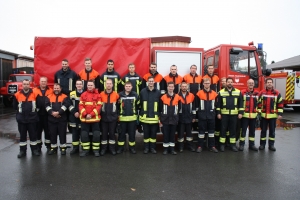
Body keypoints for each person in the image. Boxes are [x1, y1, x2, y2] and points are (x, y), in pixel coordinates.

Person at [13, 79, 40, 158]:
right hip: (22, 119)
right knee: (22, 136)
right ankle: (22, 151)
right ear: (22, 85)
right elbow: (15, 107)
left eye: (27, 84)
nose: (26, 85)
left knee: (33, 135)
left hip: (32, 119)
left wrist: (34, 113)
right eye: (24, 84)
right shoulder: (17, 94)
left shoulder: (35, 94)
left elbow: (38, 105)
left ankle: (34, 150)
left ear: (29, 85)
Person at [216, 77, 244, 152]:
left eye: (231, 82)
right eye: (228, 82)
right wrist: (218, 113)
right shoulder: (221, 92)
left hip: (234, 115)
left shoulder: (238, 92)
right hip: (224, 114)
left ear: (233, 83)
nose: (230, 83)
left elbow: (241, 104)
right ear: (226, 83)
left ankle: (233, 145)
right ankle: (222, 145)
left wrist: (240, 113)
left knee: (233, 130)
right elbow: (218, 105)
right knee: (223, 129)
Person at [257, 78, 283, 151]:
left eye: (270, 82)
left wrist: (280, 113)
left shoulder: (277, 93)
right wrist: (259, 112)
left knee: (272, 131)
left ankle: (271, 145)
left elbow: (280, 104)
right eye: (268, 82)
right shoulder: (262, 92)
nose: (269, 83)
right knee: (263, 131)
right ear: (265, 83)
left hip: (272, 116)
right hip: (263, 116)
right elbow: (258, 103)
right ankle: (262, 145)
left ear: (272, 83)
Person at [45, 83, 70, 155]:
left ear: (60, 89)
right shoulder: (48, 96)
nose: (56, 89)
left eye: (57, 88)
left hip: (62, 119)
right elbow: (46, 106)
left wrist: (58, 112)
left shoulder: (65, 96)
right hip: (51, 119)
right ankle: (54, 148)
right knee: (52, 134)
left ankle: (63, 148)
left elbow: (66, 106)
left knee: (62, 134)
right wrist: (52, 113)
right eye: (55, 88)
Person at [79, 81, 102, 157]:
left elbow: (99, 107)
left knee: (96, 134)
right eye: (88, 85)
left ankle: (96, 150)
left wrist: (91, 114)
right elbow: (80, 106)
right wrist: (85, 114)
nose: (90, 86)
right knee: (84, 134)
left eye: (91, 85)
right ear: (86, 86)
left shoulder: (98, 95)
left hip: (95, 119)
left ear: (94, 86)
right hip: (85, 119)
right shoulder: (83, 95)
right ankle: (85, 150)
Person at [195, 78, 218, 153]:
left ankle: (212, 146)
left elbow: (216, 105)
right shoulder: (199, 93)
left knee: (211, 132)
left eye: (208, 83)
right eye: (205, 83)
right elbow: (196, 106)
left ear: (210, 84)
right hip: (202, 116)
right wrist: (197, 116)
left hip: (211, 116)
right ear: (203, 84)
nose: (207, 84)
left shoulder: (214, 94)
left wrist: (215, 114)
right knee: (201, 133)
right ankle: (200, 146)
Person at [139, 76, 161, 154]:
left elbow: (160, 106)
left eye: (152, 81)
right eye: (150, 81)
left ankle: (152, 148)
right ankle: (146, 148)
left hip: (154, 118)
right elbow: (140, 104)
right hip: (145, 118)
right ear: (147, 82)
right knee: (146, 134)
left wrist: (160, 116)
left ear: (154, 82)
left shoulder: (158, 92)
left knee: (153, 134)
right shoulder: (142, 91)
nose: (151, 82)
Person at [117, 81, 139, 154]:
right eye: (127, 86)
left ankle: (132, 148)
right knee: (121, 134)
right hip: (122, 119)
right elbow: (116, 106)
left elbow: (138, 105)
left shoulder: (135, 95)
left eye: (129, 86)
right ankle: (120, 148)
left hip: (132, 118)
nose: (128, 87)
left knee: (132, 134)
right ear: (124, 87)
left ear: (132, 87)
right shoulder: (119, 95)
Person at [121, 63, 143, 133]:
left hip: (136, 98)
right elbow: (122, 87)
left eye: (133, 67)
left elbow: (141, 87)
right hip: (127, 97)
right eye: (130, 67)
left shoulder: (139, 77)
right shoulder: (125, 77)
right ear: (128, 68)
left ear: (134, 68)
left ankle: (138, 127)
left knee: (137, 113)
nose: (131, 69)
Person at [160, 82, 181, 155]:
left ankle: (172, 149)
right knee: (166, 134)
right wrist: (161, 120)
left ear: (174, 88)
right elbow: (160, 109)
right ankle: (165, 149)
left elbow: (179, 109)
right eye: (169, 87)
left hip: (174, 119)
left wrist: (177, 118)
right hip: (165, 119)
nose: (171, 88)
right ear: (167, 87)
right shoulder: (163, 97)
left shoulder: (178, 97)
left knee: (172, 135)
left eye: (172, 87)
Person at [239, 79, 260, 151]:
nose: (251, 84)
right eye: (249, 83)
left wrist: (258, 113)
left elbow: (260, 104)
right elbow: (240, 103)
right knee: (243, 131)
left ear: (254, 84)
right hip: (245, 115)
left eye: (252, 83)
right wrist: (241, 113)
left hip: (253, 116)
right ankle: (241, 145)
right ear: (247, 84)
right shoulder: (242, 92)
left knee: (252, 131)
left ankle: (252, 145)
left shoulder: (257, 93)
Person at [33, 76, 53, 153]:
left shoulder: (50, 91)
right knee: (37, 131)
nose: (43, 83)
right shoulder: (34, 91)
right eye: (42, 81)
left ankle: (48, 146)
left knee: (48, 131)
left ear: (47, 82)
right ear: (39, 82)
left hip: (47, 115)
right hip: (37, 115)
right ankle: (38, 147)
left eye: (44, 81)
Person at [100, 79, 119, 156]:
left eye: (110, 84)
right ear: (105, 85)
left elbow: (118, 106)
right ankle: (103, 149)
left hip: (113, 118)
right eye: (107, 83)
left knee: (112, 134)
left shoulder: (116, 95)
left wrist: (117, 115)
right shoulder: (101, 94)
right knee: (104, 134)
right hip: (103, 118)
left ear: (112, 85)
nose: (108, 85)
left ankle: (112, 149)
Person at [177, 82, 196, 152]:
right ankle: (180, 147)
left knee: (189, 134)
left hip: (189, 117)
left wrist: (194, 117)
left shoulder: (191, 95)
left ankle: (190, 146)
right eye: (183, 86)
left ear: (187, 87)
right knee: (180, 134)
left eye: (185, 86)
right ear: (180, 87)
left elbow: (193, 107)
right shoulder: (177, 96)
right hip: (181, 118)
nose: (184, 88)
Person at [68, 80, 85, 154]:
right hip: (74, 116)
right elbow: (69, 104)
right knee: (75, 133)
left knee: (83, 133)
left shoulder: (85, 93)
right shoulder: (72, 94)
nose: (79, 85)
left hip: (83, 116)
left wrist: (82, 113)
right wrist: (74, 112)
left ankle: (84, 148)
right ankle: (75, 148)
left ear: (82, 85)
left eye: (80, 84)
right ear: (75, 85)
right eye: (77, 84)